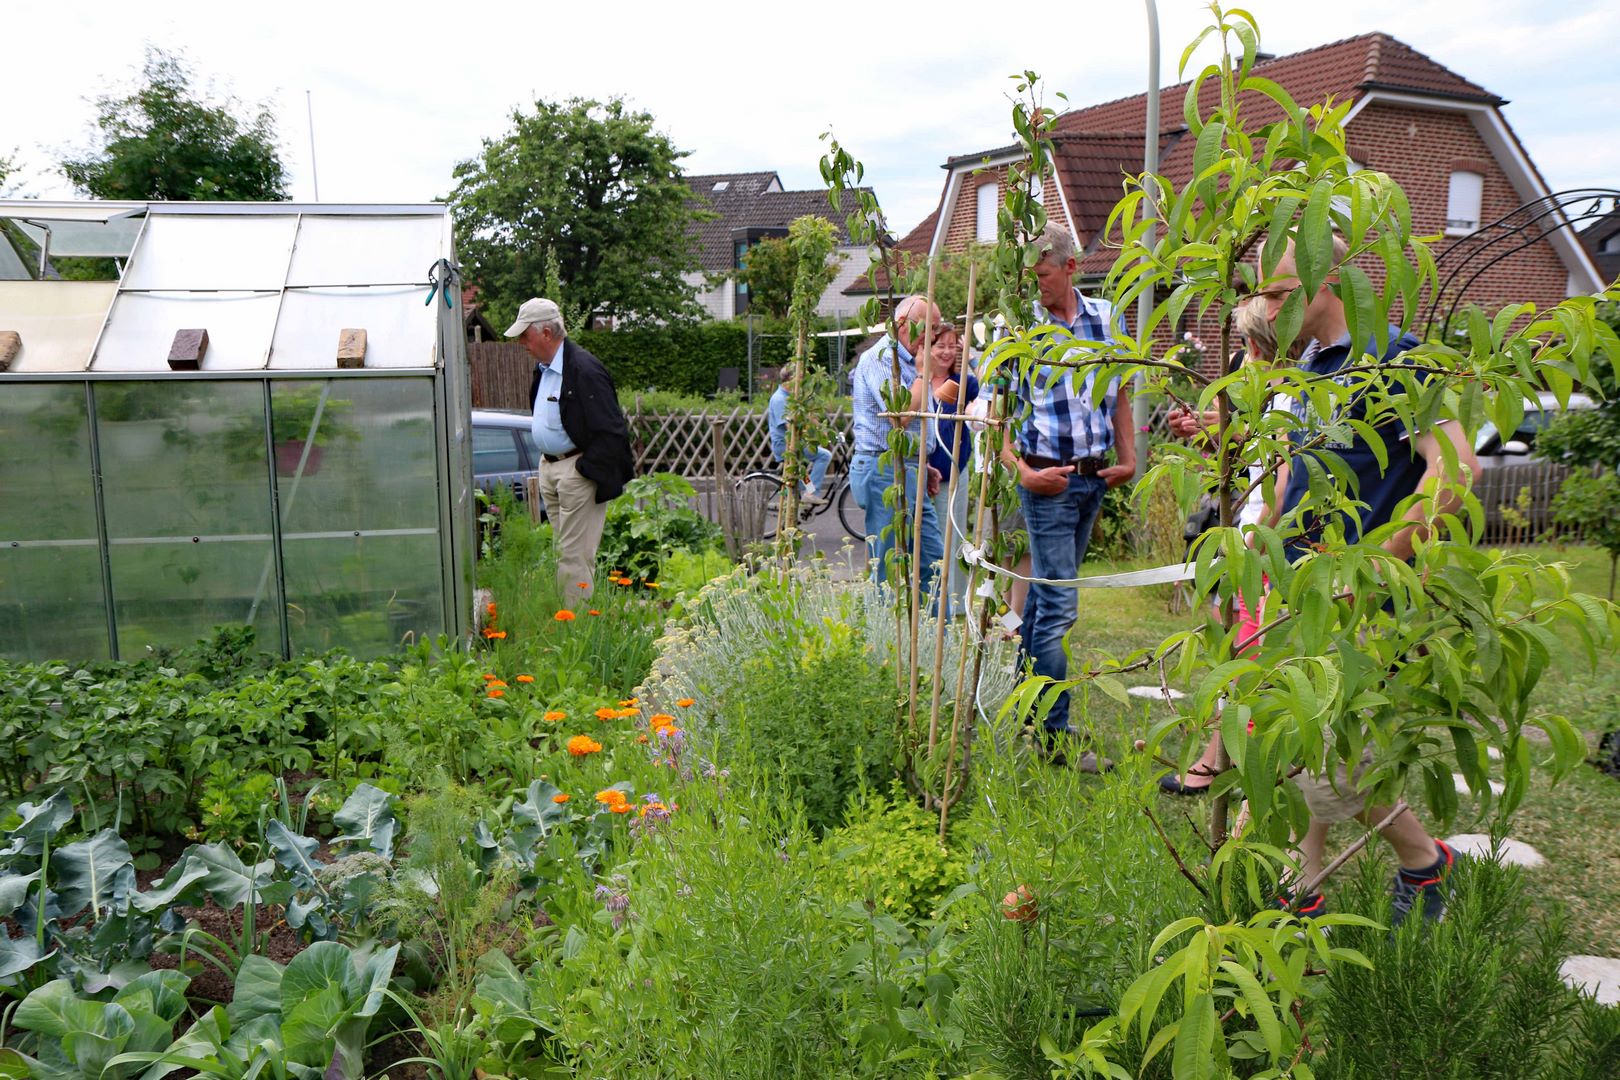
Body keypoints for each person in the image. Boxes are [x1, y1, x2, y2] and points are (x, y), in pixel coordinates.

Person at [1176, 237, 1479, 924]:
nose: (1266, 310)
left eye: (1279, 296)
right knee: (1293, 752)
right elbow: (1292, 474)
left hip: (1357, 607)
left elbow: (1454, 473)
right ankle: (1304, 895)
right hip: (1294, 595)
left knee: (1328, 764)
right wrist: (1256, 541)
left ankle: (1417, 868)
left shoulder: (1396, 361)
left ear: (1330, 281)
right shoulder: (1308, 372)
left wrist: (1377, 560)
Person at [1000, 224, 1137, 771]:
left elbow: (1121, 389)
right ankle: (1054, 737)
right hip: (1046, 480)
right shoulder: (1021, 327)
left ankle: (1023, 710)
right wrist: (1021, 473)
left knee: (1040, 605)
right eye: (1031, 278)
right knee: (1058, 607)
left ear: (1070, 268)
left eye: (1044, 276)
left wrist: (1129, 458)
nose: (1037, 287)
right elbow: (998, 415)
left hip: (1093, 478)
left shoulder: (1105, 318)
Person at [1160, 300, 1295, 796]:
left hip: (1260, 546)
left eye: (1244, 347)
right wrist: (1213, 434)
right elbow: (1246, 460)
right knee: (1229, 648)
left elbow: (1281, 485)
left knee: (1247, 656)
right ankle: (1219, 758)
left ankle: (1247, 767)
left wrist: (1254, 540)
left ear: (1257, 346)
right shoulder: (1268, 400)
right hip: (1245, 536)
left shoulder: (1287, 400)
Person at [508, 298, 634, 603]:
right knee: (564, 552)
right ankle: (569, 619)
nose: (522, 343)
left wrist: (582, 470)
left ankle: (575, 629)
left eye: (526, 335)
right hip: (550, 468)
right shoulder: (545, 368)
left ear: (547, 333)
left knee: (574, 558)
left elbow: (613, 431)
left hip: (575, 471)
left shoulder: (585, 370)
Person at [850, 295, 945, 591]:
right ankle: (883, 636)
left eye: (937, 329)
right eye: (930, 328)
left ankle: (929, 635)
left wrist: (922, 463)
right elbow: (900, 415)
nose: (935, 337)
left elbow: (916, 425)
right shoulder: (880, 358)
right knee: (887, 568)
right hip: (883, 470)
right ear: (903, 324)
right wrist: (922, 373)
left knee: (933, 561)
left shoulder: (916, 362)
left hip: (909, 467)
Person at [927, 325, 980, 616]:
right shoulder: (918, 382)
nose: (947, 352)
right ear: (928, 348)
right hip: (923, 474)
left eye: (952, 346)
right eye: (940, 346)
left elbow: (993, 386)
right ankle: (928, 598)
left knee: (954, 537)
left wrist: (971, 356)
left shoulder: (963, 385)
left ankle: (955, 603)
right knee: (927, 537)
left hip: (955, 475)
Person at [766, 364, 833, 505]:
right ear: (791, 378)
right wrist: (811, 435)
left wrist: (822, 430)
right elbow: (789, 427)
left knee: (803, 473)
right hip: (785, 446)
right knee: (824, 455)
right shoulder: (779, 399)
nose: (803, 381)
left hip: (794, 443)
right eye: (801, 377)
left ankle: (803, 490)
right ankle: (810, 493)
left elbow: (808, 416)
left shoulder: (793, 397)